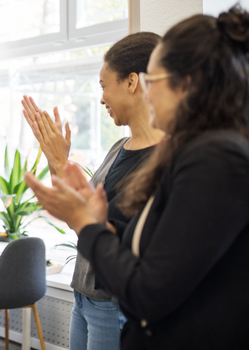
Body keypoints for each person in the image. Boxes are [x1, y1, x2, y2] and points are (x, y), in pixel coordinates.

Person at [25, 7, 249, 349]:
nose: (148, 94)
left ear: (185, 84)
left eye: (153, 82)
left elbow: (151, 289)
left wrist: (88, 225)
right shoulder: (193, 151)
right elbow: (157, 243)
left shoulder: (216, 157)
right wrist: (100, 222)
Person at [20, 32, 165, 350]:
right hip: (84, 294)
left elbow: (116, 234)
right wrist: (57, 161)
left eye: (103, 85)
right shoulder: (118, 147)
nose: (100, 98)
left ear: (131, 82)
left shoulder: (164, 160)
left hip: (114, 305)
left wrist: (60, 161)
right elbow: (82, 219)